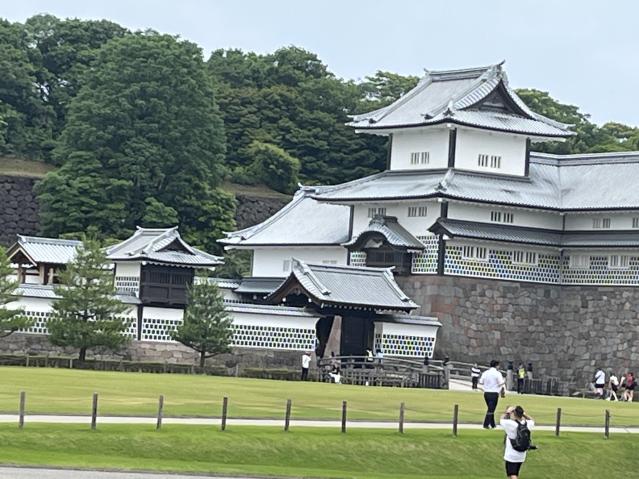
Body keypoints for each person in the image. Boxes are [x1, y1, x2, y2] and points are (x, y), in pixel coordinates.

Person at [500, 405, 535, 479]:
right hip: (522, 455)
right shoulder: (527, 424)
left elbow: (501, 419)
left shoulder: (511, 424)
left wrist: (507, 412)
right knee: (514, 474)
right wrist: (524, 414)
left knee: (512, 474)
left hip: (511, 455)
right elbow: (532, 420)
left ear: (514, 414)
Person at [479, 360, 505, 429]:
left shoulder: (485, 373)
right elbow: (500, 383)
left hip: (486, 393)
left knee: (491, 408)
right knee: (491, 409)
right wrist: (503, 383)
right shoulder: (497, 373)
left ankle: (493, 424)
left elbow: (481, 382)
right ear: (496, 366)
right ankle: (486, 424)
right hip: (494, 393)